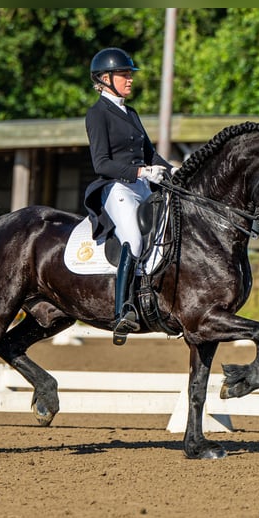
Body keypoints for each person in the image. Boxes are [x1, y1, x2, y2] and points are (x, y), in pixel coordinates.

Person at [83, 47, 174, 345]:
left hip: (143, 186)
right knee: (133, 239)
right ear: (105, 79)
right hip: (116, 187)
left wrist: (173, 170)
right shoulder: (97, 114)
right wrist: (140, 173)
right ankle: (123, 310)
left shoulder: (130, 113)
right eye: (124, 74)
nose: (129, 79)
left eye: (129, 74)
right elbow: (101, 163)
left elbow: (151, 153)